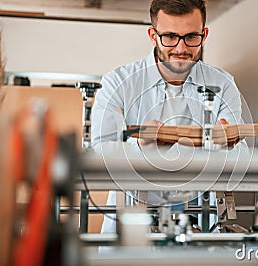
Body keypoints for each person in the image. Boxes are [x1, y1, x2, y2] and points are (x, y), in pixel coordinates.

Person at [91, 0, 244, 233]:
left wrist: (229, 143)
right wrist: (138, 146)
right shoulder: (118, 83)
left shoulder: (223, 84)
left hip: (200, 220)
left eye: (192, 37)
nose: (181, 48)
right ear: (153, 35)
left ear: (205, 34)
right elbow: (99, 155)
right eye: (170, 37)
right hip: (129, 223)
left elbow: (242, 159)